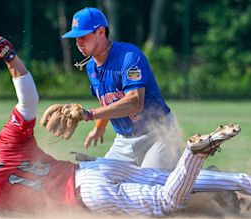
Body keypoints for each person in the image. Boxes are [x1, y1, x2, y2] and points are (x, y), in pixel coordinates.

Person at [0, 36, 251, 216]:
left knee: (163, 203)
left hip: (90, 193)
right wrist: (10, 57)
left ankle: (193, 155)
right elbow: (28, 100)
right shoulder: (9, 142)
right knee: (163, 181)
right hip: (93, 170)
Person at [61, 7, 181, 171]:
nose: (78, 42)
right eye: (75, 38)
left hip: (158, 135)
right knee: (99, 181)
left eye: (83, 36)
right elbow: (109, 101)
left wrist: (90, 115)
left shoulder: (129, 57)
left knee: (152, 191)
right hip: (123, 142)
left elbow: (135, 102)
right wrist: (99, 127)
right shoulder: (91, 67)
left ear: (101, 32)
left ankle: (209, 180)